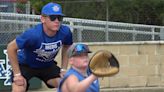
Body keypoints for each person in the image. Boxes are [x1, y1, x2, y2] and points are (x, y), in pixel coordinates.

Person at [7, 2, 73, 92]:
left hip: (47, 65)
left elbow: (67, 46)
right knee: (18, 88)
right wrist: (17, 74)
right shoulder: (33, 34)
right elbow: (11, 48)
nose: (57, 21)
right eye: (53, 18)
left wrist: (64, 69)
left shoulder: (65, 32)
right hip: (25, 64)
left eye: (59, 18)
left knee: (68, 85)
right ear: (43, 19)